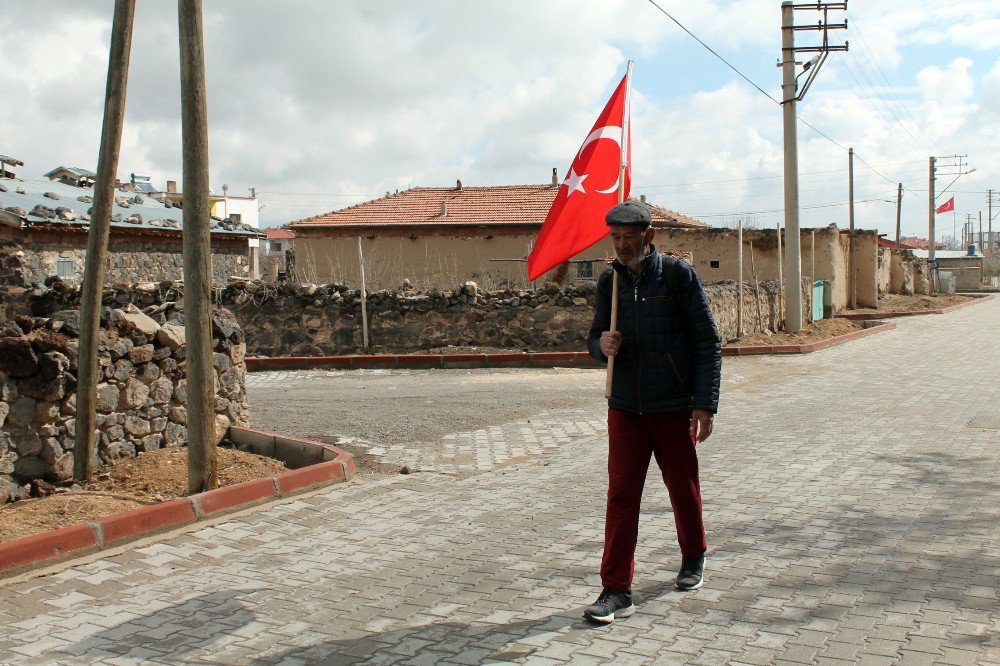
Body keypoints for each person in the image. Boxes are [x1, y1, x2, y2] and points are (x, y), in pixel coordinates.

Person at [582, 200, 722, 624]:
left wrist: (704, 403)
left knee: (682, 485)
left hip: (673, 406)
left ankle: (693, 556)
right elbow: (593, 338)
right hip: (624, 406)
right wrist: (599, 347)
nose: (622, 245)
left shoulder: (678, 276)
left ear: (649, 236)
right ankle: (616, 588)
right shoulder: (609, 281)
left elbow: (706, 341)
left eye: (630, 238)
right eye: (616, 238)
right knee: (621, 496)